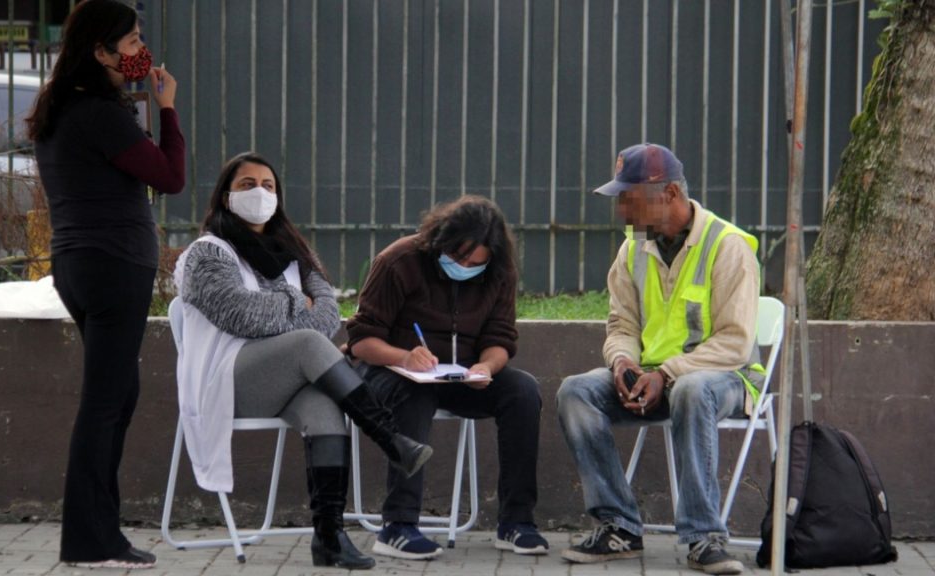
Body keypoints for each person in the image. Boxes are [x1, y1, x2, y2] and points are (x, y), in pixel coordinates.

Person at [172, 152, 433, 570]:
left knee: (326, 409)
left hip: (286, 376)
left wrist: (285, 307)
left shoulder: (295, 250)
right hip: (226, 379)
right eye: (246, 185)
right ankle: (390, 439)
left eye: (268, 186)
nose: (260, 193)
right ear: (225, 197)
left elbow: (329, 318)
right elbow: (242, 316)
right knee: (307, 342)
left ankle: (329, 538)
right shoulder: (208, 254)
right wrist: (296, 300)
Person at [26, 0, 185, 569]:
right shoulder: (98, 112)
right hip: (113, 264)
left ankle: (100, 533)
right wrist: (167, 110)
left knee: (119, 395)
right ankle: (91, 540)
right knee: (104, 402)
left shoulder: (63, 106)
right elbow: (170, 177)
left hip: (79, 263)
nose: (140, 51)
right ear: (100, 51)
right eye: (132, 40)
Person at [556, 143, 764, 575]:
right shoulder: (632, 250)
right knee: (576, 391)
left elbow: (736, 342)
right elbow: (621, 326)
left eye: (630, 199)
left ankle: (704, 537)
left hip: (725, 379)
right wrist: (623, 365)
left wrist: (666, 373)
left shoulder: (727, 247)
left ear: (669, 194)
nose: (622, 211)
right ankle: (619, 527)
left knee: (690, 388)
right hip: (653, 378)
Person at [346, 195, 549, 560]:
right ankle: (398, 527)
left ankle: (516, 523)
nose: (466, 266)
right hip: (388, 372)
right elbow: (361, 341)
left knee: (522, 391)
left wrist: (486, 367)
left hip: (457, 375)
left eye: (476, 263)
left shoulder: (499, 274)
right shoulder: (399, 261)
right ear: (440, 241)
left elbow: (500, 339)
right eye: (458, 258)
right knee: (414, 395)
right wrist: (404, 356)